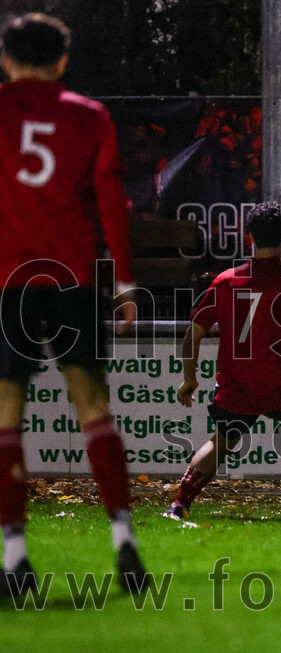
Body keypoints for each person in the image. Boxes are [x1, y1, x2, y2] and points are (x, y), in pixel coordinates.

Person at [0, 13, 147, 595]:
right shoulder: (88, 116)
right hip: (74, 280)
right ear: (63, 61)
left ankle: (14, 559)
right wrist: (127, 282)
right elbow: (112, 199)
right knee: (92, 405)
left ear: (5, 58)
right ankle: (124, 539)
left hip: (7, 280)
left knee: (7, 415)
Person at [163, 202, 281, 520]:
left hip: (236, 388)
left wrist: (189, 378)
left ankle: (180, 503)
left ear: (249, 238)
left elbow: (192, 333)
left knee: (220, 441)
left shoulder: (225, 281)